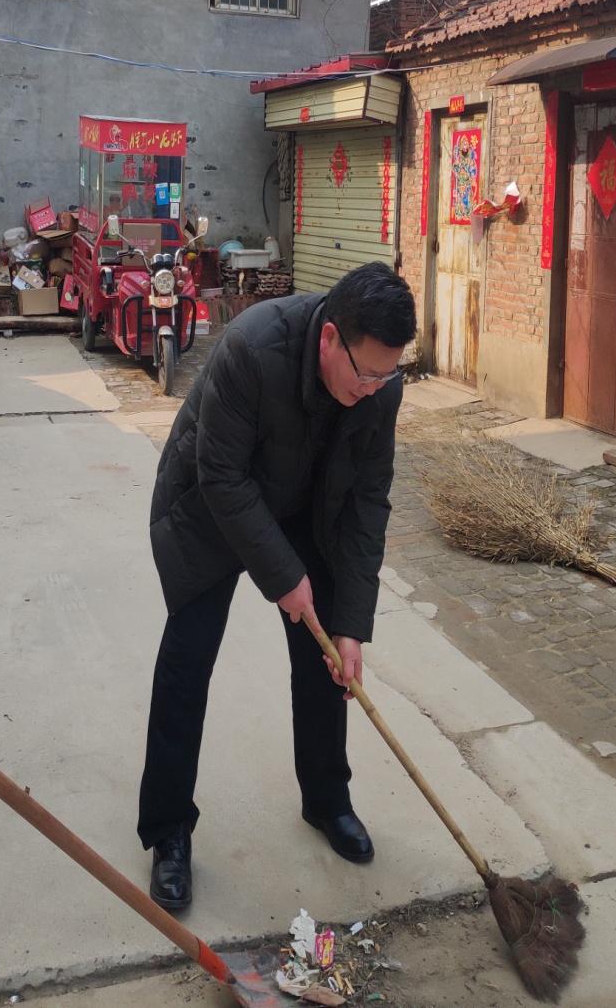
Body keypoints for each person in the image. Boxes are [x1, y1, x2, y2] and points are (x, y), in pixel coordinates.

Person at [138, 260, 417, 911]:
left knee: (325, 664)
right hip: (211, 508)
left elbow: (366, 503)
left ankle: (326, 801)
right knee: (187, 661)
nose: (375, 387)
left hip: (303, 507)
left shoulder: (379, 386)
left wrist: (349, 622)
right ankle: (168, 830)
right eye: (365, 372)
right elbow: (221, 476)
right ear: (328, 340)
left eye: (388, 374)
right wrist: (284, 580)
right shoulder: (252, 346)